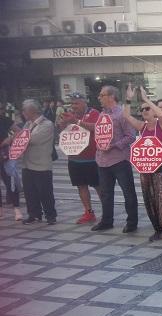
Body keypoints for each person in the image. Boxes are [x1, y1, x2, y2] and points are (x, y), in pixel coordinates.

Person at [122, 85, 162, 243]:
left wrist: (146, 99)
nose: (145, 111)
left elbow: (161, 113)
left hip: (161, 169)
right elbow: (126, 116)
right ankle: (159, 229)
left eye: (147, 109)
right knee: (150, 200)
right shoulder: (142, 127)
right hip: (145, 169)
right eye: (142, 110)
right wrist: (128, 99)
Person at [91, 85, 138, 233]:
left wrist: (114, 145)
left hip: (119, 160)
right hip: (102, 160)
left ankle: (131, 222)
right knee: (105, 193)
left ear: (111, 97)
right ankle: (106, 221)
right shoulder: (101, 115)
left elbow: (131, 136)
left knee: (128, 192)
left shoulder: (122, 114)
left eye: (102, 95)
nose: (99, 98)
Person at [57, 92, 101, 224]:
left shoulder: (94, 113)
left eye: (76, 103)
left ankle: (107, 211)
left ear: (84, 102)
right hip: (75, 157)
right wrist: (63, 123)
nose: (74, 106)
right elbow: (63, 131)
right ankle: (88, 212)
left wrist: (76, 121)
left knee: (99, 186)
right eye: (72, 103)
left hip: (92, 158)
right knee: (81, 186)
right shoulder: (71, 114)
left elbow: (97, 128)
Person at [19, 99, 57, 225]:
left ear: (31, 111)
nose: (23, 113)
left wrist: (18, 138)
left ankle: (50, 215)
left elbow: (31, 139)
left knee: (45, 192)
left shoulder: (47, 124)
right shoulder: (27, 124)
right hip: (27, 163)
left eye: (24, 110)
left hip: (41, 164)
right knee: (29, 192)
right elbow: (21, 137)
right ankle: (34, 214)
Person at [0, 102, 21, 221]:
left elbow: (20, 131)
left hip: (4, 153)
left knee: (10, 181)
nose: (1, 110)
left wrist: (10, 139)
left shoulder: (4, 120)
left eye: (1, 108)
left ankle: (16, 209)